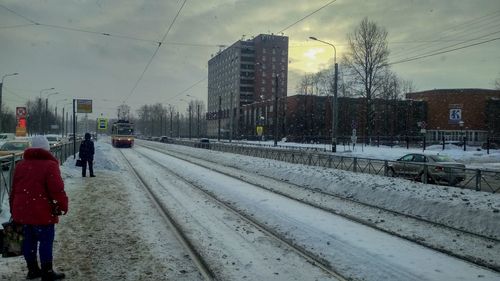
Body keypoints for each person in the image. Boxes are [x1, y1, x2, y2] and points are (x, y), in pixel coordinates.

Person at [10, 135, 68, 281]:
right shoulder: (50, 165)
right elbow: (57, 190)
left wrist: (13, 209)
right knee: (45, 242)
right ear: (47, 149)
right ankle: (47, 272)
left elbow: (14, 190)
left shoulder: (20, 165)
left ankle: (33, 270)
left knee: (28, 241)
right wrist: (62, 205)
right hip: (42, 213)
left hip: (23, 211)